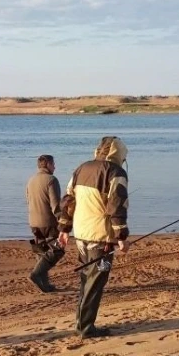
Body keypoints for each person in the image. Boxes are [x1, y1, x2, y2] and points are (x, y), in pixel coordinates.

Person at [57, 136, 130, 338]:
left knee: (87, 279)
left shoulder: (82, 168)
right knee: (95, 281)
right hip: (102, 238)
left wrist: (64, 229)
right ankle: (86, 327)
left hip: (80, 234)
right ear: (118, 154)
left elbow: (68, 200)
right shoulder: (116, 172)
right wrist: (121, 235)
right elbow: (116, 205)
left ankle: (82, 322)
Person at [25, 154, 65, 293]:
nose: (55, 167)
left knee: (42, 251)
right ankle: (35, 275)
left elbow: (28, 200)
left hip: (33, 222)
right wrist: (63, 221)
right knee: (58, 250)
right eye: (53, 164)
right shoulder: (51, 180)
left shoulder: (31, 180)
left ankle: (44, 284)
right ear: (47, 164)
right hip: (48, 222)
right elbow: (55, 206)